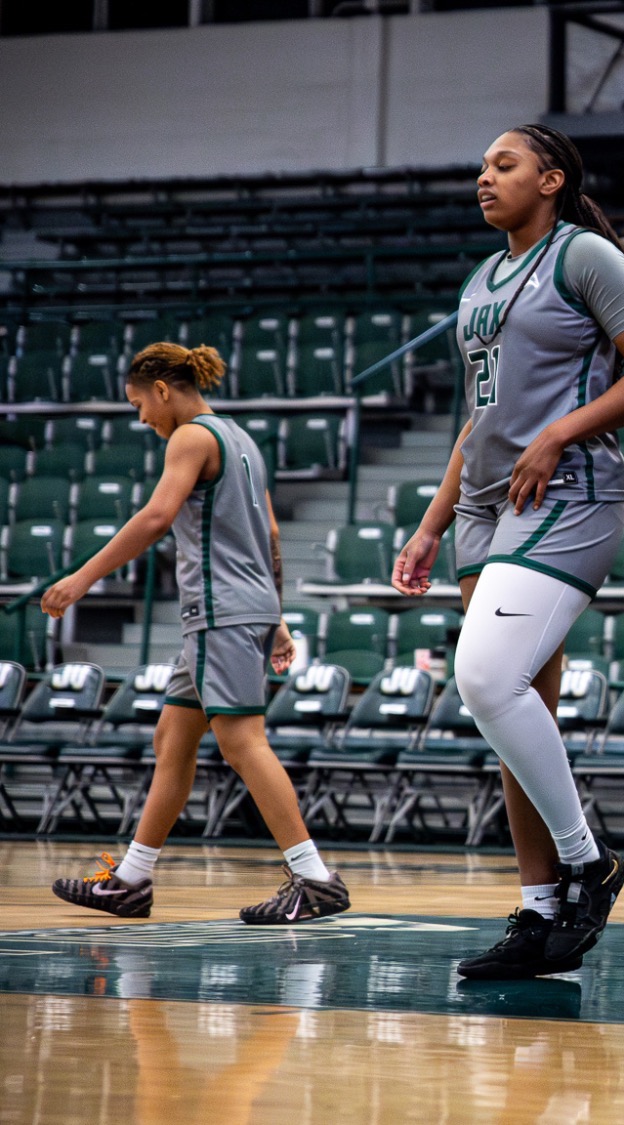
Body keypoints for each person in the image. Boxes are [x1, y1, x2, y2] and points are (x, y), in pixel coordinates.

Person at [391, 124, 624, 979]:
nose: (484, 177)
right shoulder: (484, 277)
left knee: (484, 677)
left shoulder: (584, 255)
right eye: (481, 165)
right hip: (484, 505)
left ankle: (589, 862)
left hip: (564, 494)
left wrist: (561, 432)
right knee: (518, 720)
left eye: (503, 164)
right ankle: (538, 909)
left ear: (551, 179)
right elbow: (479, 417)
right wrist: (432, 521)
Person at [44, 343, 347, 925]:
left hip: (220, 611)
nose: (141, 419)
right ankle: (131, 880)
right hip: (239, 609)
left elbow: (157, 517)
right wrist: (275, 614)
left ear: (162, 388)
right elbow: (269, 532)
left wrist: (80, 579)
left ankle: (314, 878)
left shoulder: (190, 437)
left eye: (139, 404)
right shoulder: (242, 439)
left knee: (243, 742)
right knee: (172, 739)